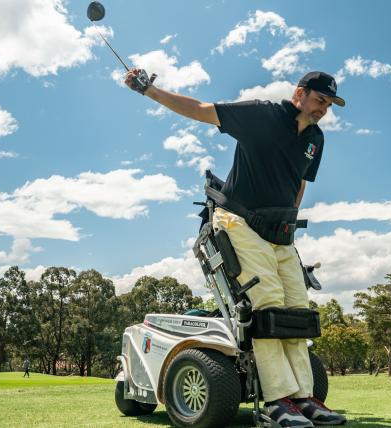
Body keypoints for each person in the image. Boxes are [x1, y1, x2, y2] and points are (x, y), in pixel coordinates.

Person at [124, 69, 347, 427]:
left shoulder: (316, 139)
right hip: (239, 220)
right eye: (320, 100)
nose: (324, 109)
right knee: (269, 302)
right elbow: (200, 108)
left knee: (298, 308)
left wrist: (289, 220)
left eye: (329, 104)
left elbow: (299, 185)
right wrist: (149, 90)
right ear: (300, 94)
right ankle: (276, 402)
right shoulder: (263, 115)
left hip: (280, 229)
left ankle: (304, 397)